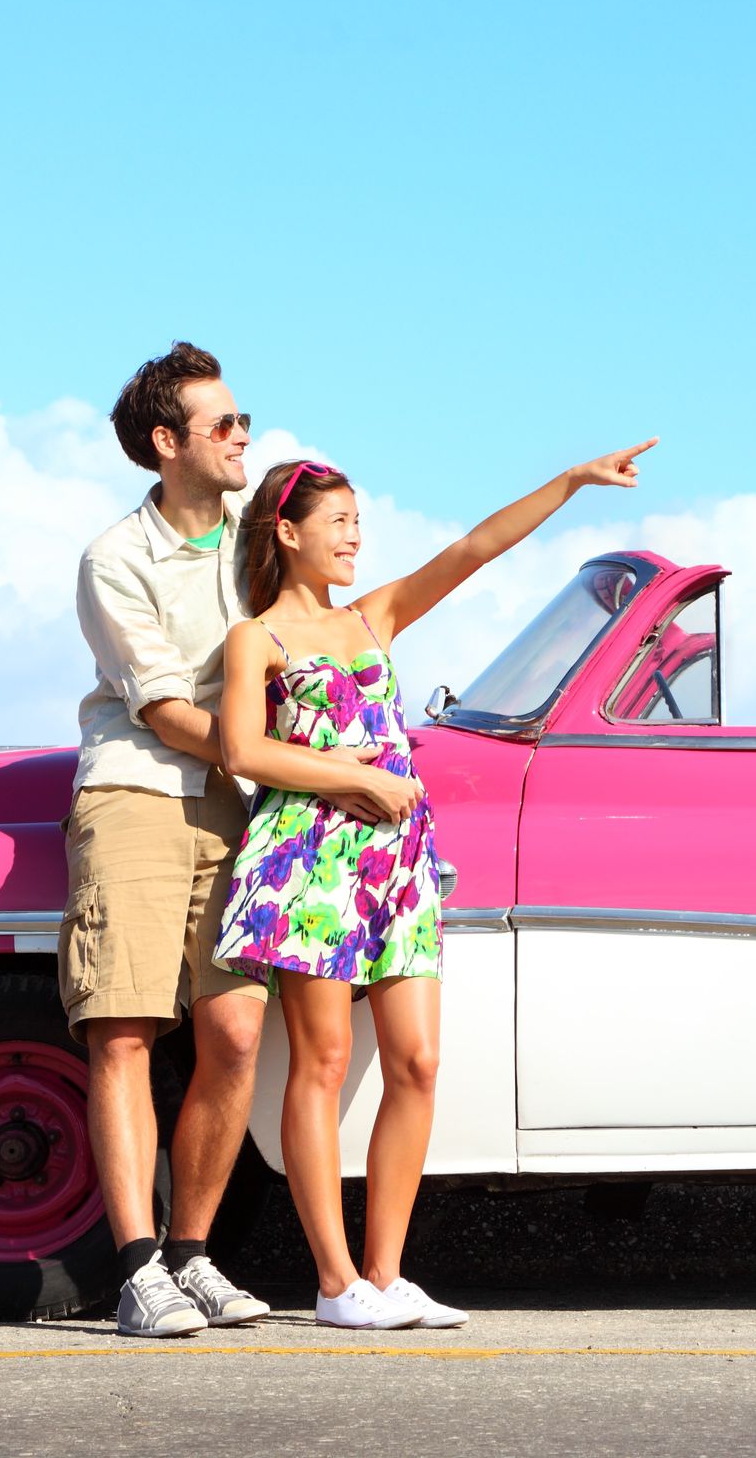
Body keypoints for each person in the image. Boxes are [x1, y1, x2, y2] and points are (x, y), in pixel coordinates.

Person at [212, 439, 654, 1329]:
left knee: (417, 1061)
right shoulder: (254, 638)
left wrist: (569, 482)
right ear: (287, 532)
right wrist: (357, 778)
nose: (353, 538)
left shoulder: (373, 617)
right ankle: (335, 1286)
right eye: (337, 522)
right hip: (309, 856)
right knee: (324, 1061)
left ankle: (386, 1273)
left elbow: (475, 549)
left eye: (359, 523)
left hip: (398, 863)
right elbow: (242, 752)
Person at [64, 343, 411, 1339]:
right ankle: (137, 1271)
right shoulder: (114, 559)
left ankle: (191, 1254)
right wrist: (299, 760)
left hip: (245, 812)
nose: (243, 437)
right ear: (167, 444)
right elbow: (168, 712)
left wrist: (308, 753)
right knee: (125, 1029)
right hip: (138, 791)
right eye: (223, 425)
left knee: (234, 1036)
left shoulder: (257, 543)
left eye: (242, 420)